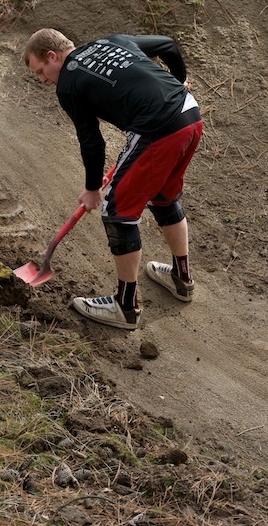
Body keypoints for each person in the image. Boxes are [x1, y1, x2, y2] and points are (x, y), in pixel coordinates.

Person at [23, 28, 203, 330]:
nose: (42, 79)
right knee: (164, 196)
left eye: (41, 70)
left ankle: (126, 307)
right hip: (190, 114)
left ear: (52, 56)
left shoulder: (68, 84)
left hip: (157, 128)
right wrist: (179, 82)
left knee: (117, 211)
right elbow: (169, 46)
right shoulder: (110, 42)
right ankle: (181, 279)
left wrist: (93, 189)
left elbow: (91, 141)